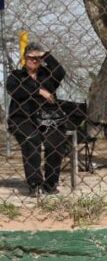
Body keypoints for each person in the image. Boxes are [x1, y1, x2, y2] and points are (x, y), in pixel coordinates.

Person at [4, 43, 67, 195]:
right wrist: (39, 91)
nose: (34, 61)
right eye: (31, 58)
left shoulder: (48, 75)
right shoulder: (16, 75)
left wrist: (46, 55)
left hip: (47, 118)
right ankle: (35, 184)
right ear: (25, 58)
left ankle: (51, 183)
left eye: (37, 58)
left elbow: (60, 72)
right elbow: (15, 90)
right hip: (22, 119)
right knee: (32, 140)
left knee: (55, 142)